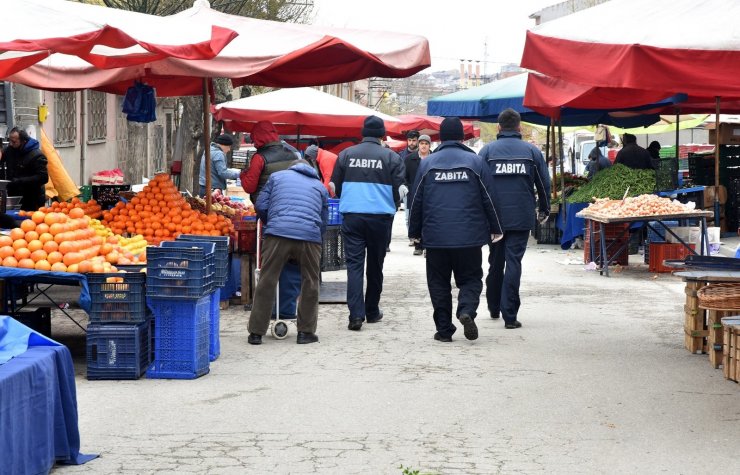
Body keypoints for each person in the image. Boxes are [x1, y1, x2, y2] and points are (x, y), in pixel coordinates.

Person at [408, 118, 503, 342]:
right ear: (462, 137)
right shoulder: (475, 162)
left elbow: (416, 200)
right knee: (471, 278)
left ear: (440, 137)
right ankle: (466, 310)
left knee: (438, 282)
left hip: (435, 237)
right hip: (469, 237)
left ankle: (444, 330)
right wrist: (496, 227)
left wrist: (414, 232)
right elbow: (490, 197)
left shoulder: (427, 163)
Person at [330, 115, 405, 331]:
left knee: (354, 266)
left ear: (362, 133)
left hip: (352, 217)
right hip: (380, 219)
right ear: (382, 134)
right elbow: (400, 192)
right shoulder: (391, 157)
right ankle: (372, 311)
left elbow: (335, 187)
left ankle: (355, 315)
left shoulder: (345, 155)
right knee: (375, 265)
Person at [478, 108, 551, 329]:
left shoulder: (487, 152)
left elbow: (477, 184)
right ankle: (510, 315)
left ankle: (493, 306)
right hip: (520, 216)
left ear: (499, 128)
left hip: (494, 219)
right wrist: (544, 210)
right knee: (514, 262)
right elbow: (544, 185)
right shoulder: (531, 152)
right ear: (519, 128)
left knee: (495, 261)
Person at [247, 159, 328, 345]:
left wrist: (273, 222)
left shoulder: (277, 177)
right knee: (310, 282)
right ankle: (305, 333)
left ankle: (256, 333)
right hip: (309, 236)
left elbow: (260, 204)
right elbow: (324, 221)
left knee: (267, 279)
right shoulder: (320, 186)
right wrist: (314, 234)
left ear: (292, 167)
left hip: (277, 234)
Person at [241, 120, 302, 321]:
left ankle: (267, 312)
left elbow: (250, 187)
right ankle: (287, 308)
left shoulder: (260, 158)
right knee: (291, 264)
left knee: (269, 265)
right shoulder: (293, 153)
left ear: (258, 137)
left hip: (270, 217)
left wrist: (243, 174)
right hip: (295, 212)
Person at [3, 128, 48, 211]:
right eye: (9, 141)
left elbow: (43, 178)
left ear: (23, 141)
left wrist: (20, 180)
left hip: (32, 198)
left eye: (14, 142)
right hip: (15, 196)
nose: (10, 144)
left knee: (29, 222)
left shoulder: (37, 155)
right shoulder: (10, 150)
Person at [404, 134, 432, 255]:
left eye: (426, 144)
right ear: (418, 145)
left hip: (430, 194)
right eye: (421, 143)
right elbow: (403, 176)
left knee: (428, 218)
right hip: (414, 193)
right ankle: (418, 245)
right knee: (414, 218)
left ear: (429, 145)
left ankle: (427, 245)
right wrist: (407, 188)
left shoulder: (435, 158)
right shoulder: (409, 159)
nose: (423, 146)